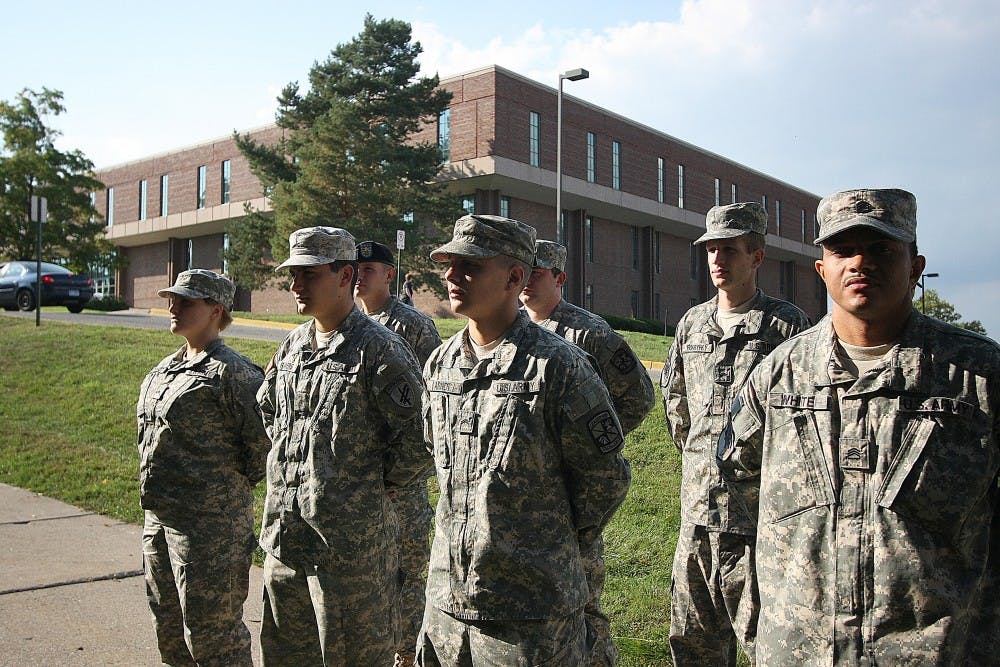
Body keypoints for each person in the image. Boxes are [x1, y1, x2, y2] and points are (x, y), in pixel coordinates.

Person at [718, 188, 1000, 664]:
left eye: (881, 250)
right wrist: (762, 621)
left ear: (915, 266)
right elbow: (731, 493)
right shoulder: (778, 374)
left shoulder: (977, 374)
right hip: (799, 652)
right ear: (821, 268)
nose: (860, 263)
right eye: (843, 250)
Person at [416, 214, 632, 666]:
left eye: (471, 265)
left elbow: (605, 480)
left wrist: (542, 542)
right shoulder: (440, 365)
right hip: (448, 603)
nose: (453, 276)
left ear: (515, 276)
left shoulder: (558, 366)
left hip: (531, 615)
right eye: (450, 264)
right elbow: (440, 460)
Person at [256, 226, 431, 666]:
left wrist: (376, 487)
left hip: (348, 554)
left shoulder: (379, 349)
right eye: (293, 274)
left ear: (344, 275)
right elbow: (269, 408)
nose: (296, 285)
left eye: (308, 274)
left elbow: (420, 434)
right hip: (286, 539)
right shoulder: (294, 345)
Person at [662, 202, 811, 665]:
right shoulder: (692, 323)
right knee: (693, 644)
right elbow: (676, 404)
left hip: (759, 521)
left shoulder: (787, 328)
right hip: (696, 519)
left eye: (730, 250)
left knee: (769, 645)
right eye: (711, 250)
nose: (717, 260)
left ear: (757, 257)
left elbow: (801, 429)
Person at [520, 238, 656, 666]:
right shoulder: (514, 328)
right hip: (526, 488)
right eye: (522, 273)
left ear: (560, 278)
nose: (526, 282)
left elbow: (638, 397)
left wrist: (596, 446)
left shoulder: (591, 333)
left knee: (582, 599)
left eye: (537, 274)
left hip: (573, 485)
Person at [137, 268, 270, 666]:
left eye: (186, 301)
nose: (173, 306)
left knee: (214, 639)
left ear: (216, 309)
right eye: (172, 299)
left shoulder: (234, 373)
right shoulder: (166, 368)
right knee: (170, 630)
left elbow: (263, 447)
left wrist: (218, 491)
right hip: (159, 519)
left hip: (210, 529)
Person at [355, 239, 443, 667]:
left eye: (368, 268)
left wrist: (401, 474)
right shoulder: (346, 324)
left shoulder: (413, 326)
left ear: (389, 275)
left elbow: (429, 408)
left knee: (406, 570)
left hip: (401, 482)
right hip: (358, 480)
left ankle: (406, 652)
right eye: (354, 268)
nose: (358, 275)